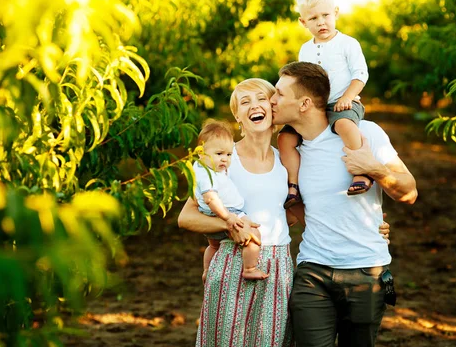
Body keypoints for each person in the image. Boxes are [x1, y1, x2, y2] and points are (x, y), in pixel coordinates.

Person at [178, 77, 391, 347]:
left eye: (262, 99)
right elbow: (186, 217)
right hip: (234, 260)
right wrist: (231, 226)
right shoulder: (223, 158)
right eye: (245, 102)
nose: (254, 105)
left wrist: (369, 227)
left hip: (278, 265)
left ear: (273, 108)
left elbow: (307, 210)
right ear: (237, 116)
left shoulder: (287, 159)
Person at [270, 61, 417, 347]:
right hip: (313, 271)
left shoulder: (366, 133)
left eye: (279, 94)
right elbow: (288, 205)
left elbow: (409, 192)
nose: (272, 100)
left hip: (366, 271)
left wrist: (374, 169)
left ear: (304, 104)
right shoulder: (288, 152)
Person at [279, 0, 371, 209]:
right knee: (286, 137)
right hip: (314, 106)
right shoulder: (305, 50)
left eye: (325, 15)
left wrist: (348, 97)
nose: (321, 22)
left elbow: (360, 74)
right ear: (303, 22)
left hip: (342, 103)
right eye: (313, 18)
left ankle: (362, 172)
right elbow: (303, 82)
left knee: (345, 126)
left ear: (336, 13)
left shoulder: (347, 43)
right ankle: (293, 185)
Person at [192, 119, 268, 282]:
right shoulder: (206, 174)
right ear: (201, 153)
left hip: (213, 216)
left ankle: (206, 270)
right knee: (253, 234)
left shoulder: (201, 167)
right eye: (219, 154)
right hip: (227, 213)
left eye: (228, 154)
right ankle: (250, 268)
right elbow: (211, 198)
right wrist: (228, 218)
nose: (225, 159)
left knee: (213, 246)